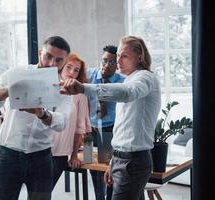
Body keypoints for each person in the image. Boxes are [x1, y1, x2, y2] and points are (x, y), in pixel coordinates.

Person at [60, 35, 161, 200]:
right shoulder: (94, 74)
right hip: (90, 132)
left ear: (140, 57)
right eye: (114, 57)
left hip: (117, 143)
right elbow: (124, 124)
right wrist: (114, 162)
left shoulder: (142, 78)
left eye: (123, 56)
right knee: (89, 165)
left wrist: (83, 88)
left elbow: (127, 93)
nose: (117, 61)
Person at [0, 36, 72, 200]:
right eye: (48, 56)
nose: (52, 63)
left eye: (58, 60)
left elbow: (61, 123)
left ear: (65, 62)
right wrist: (10, 89)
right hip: (8, 155)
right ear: (39, 53)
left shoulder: (63, 89)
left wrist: (41, 113)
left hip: (41, 158)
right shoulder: (17, 73)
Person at [87, 45, 124, 200]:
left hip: (109, 130)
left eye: (111, 62)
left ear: (117, 65)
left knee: (107, 169)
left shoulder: (122, 82)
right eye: (104, 60)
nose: (106, 65)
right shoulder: (88, 75)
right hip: (88, 130)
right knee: (90, 165)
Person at [51, 53, 92, 190]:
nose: (71, 72)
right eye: (69, 67)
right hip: (38, 150)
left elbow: (80, 128)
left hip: (60, 152)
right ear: (61, 66)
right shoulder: (48, 86)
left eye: (76, 70)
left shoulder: (80, 94)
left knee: (44, 192)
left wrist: (74, 155)